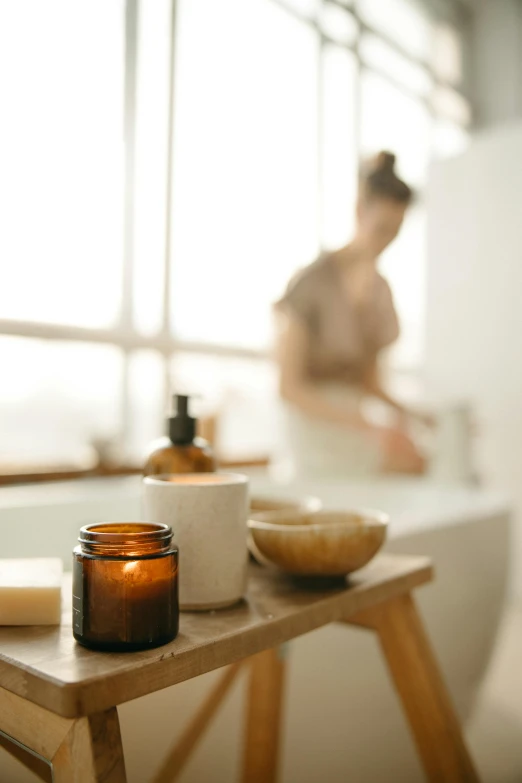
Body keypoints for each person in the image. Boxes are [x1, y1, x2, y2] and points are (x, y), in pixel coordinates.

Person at [274, 151, 429, 478]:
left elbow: (370, 383)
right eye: (382, 227)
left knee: (420, 460)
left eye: (396, 230)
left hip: (358, 423)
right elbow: (289, 387)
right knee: (405, 466)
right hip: (315, 426)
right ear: (360, 211)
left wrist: (417, 416)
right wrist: (367, 427)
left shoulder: (381, 291)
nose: (387, 240)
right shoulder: (313, 282)